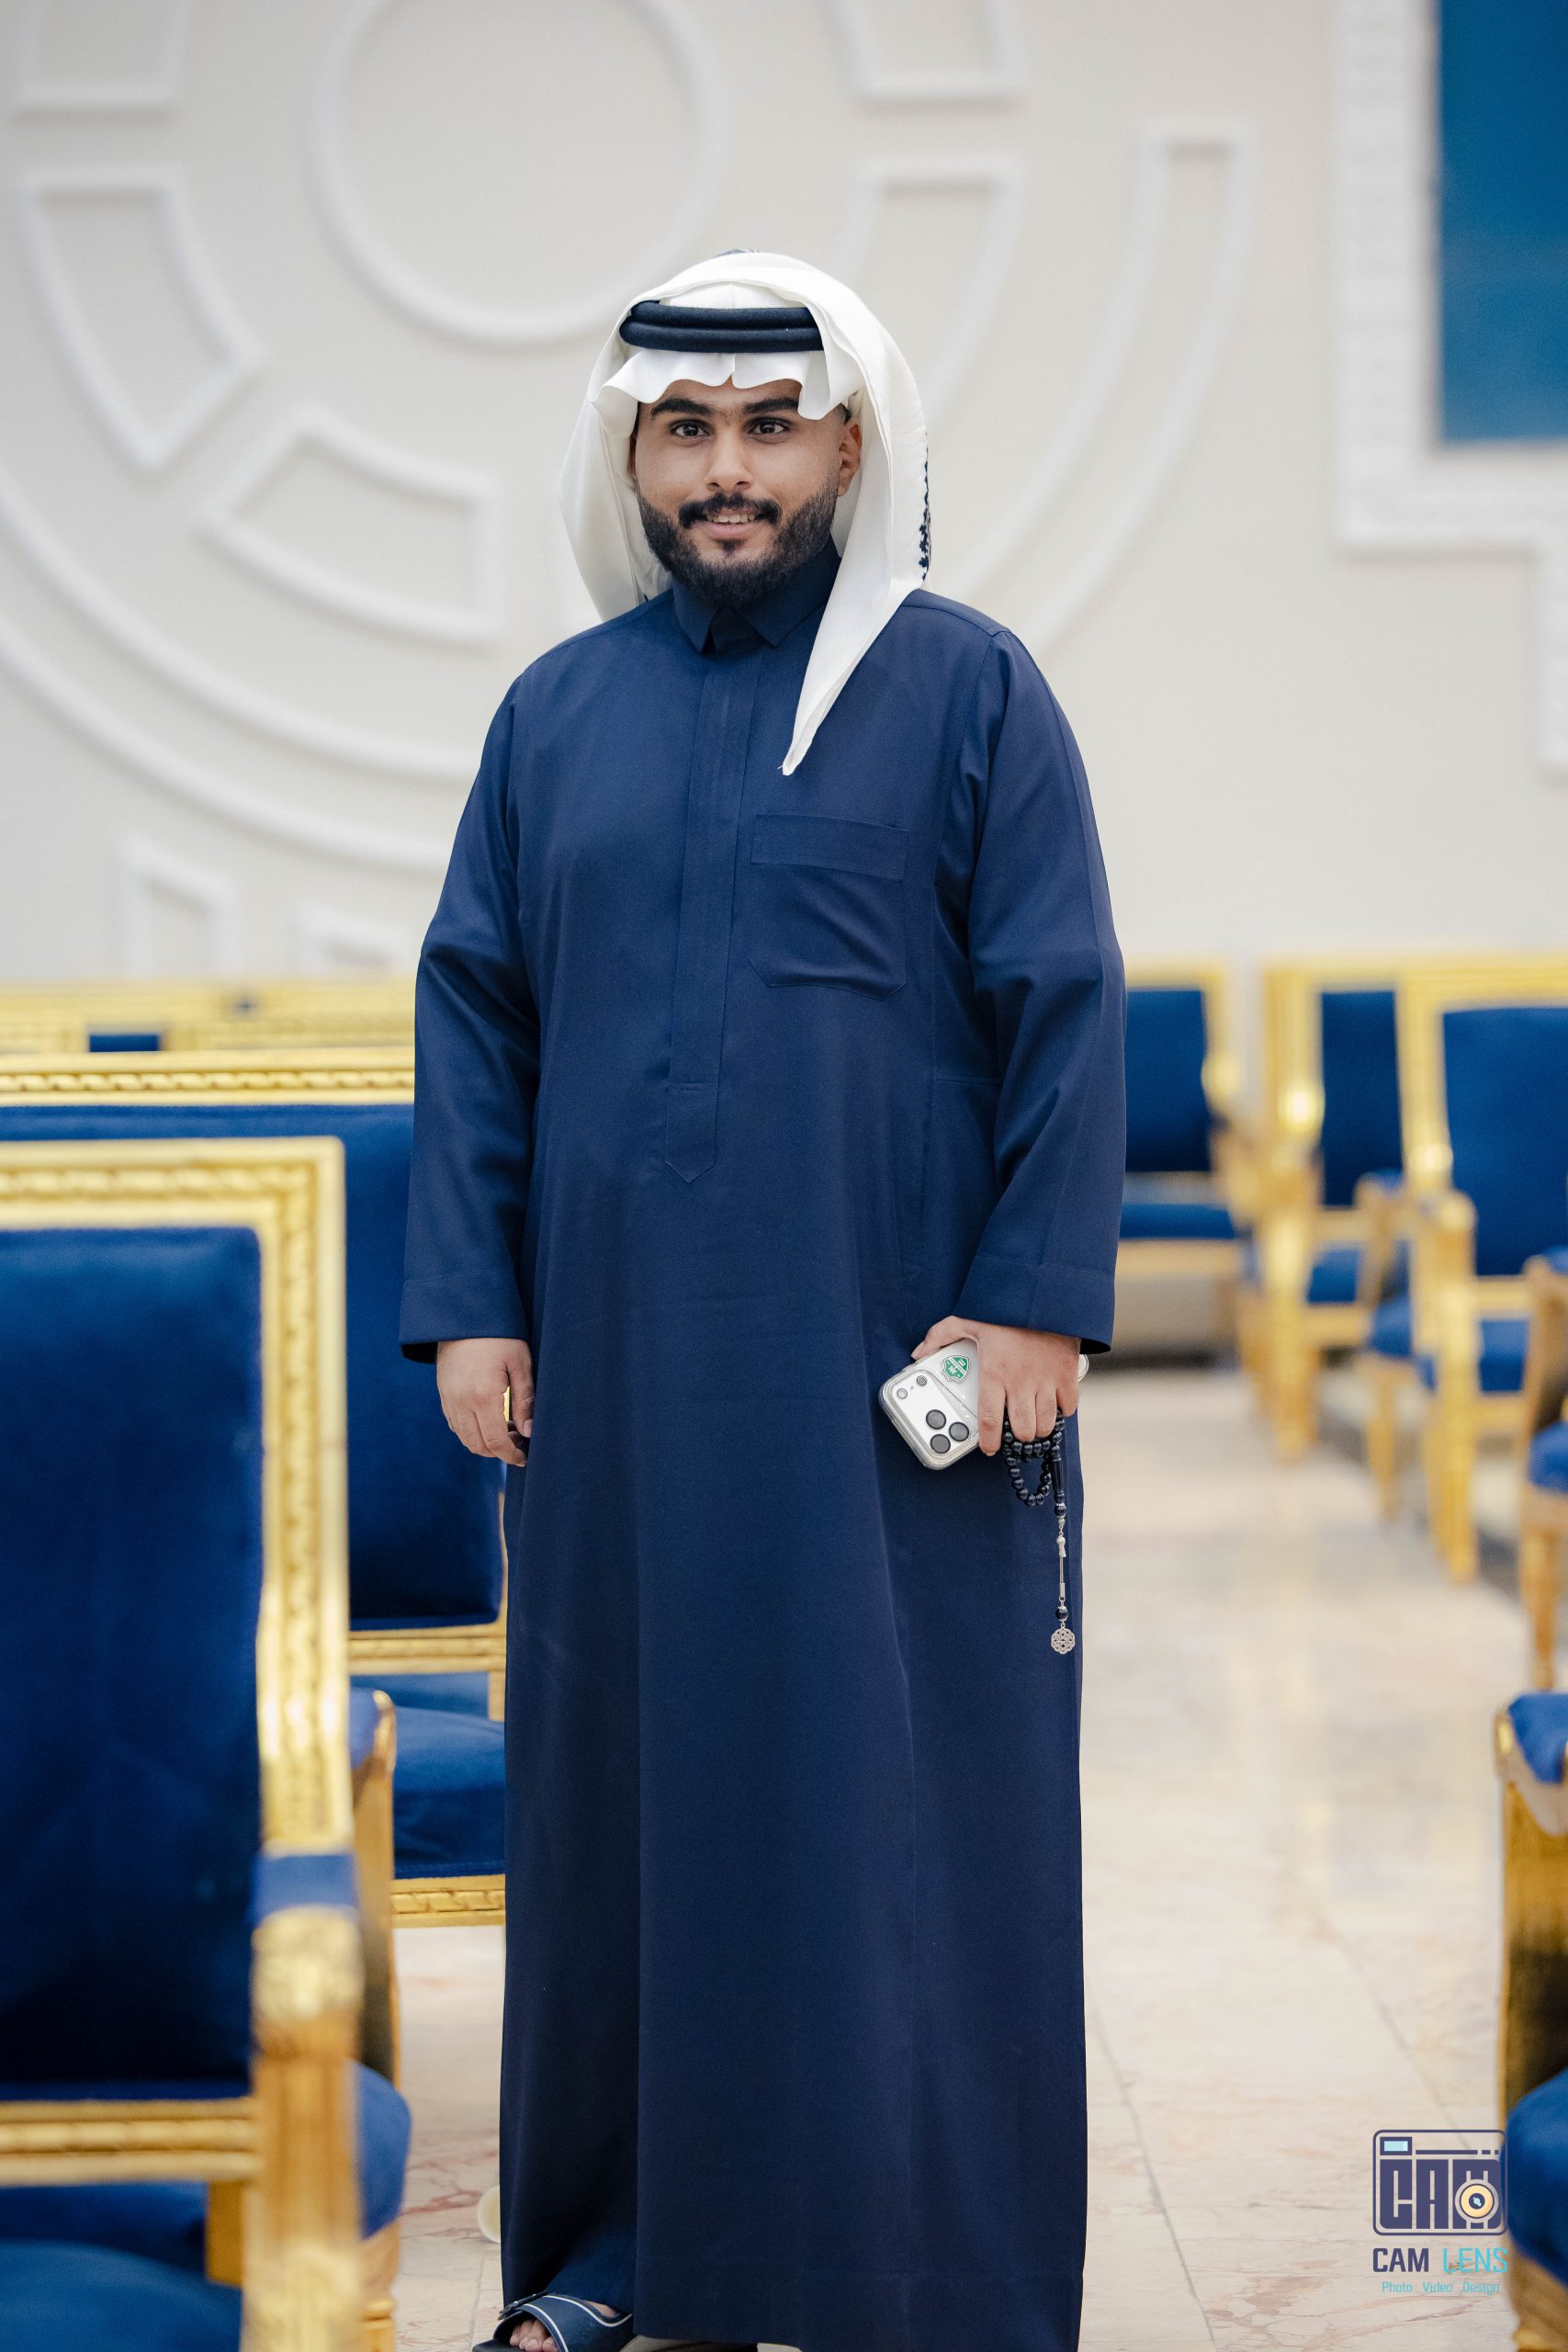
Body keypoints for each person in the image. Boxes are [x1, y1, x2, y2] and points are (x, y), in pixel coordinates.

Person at [400, 252, 1126, 2352]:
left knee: (906, 1809)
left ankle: (930, 2277)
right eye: (686, 429)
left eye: (769, 426)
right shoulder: (554, 716)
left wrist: (1033, 1299)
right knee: (626, 1807)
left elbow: (1064, 999)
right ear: (631, 453)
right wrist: (470, 1298)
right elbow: (476, 1018)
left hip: (891, 1374)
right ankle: (612, 2264)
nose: (728, 469)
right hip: (618, 1380)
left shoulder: (970, 689)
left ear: (849, 444)